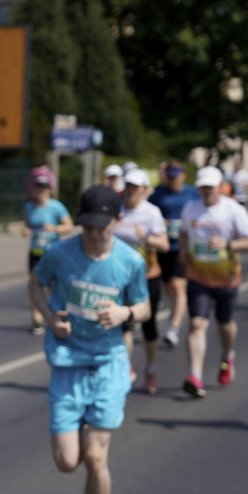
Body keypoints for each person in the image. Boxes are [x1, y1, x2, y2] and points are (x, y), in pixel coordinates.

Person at [28, 185, 150, 494]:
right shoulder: (60, 254)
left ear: (118, 221)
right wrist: (50, 318)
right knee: (67, 462)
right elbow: (36, 283)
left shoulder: (130, 261)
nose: (94, 233)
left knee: (96, 457)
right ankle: (80, 428)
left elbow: (144, 306)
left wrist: (124, 314)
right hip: (67, 361)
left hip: (109, 363)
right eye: (88, 226)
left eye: (102, 226)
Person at [177, 167, 248, 398]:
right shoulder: (190, 208)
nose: (207, 192)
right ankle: (195, 376)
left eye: (211, 187)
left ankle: (227, 355)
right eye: (203, 187)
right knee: (197, 325)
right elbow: (183, 232)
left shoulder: (233, 210)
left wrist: (228, 245)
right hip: (198, 277)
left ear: (220, 186)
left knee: (225, 326)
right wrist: (183, 250)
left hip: (226, 279)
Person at [114, 168, 169, 393]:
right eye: (128, 186)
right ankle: (126, 367)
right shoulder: (116, 209)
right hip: (120, 277)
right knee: (123, 324)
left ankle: (151, 368)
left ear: (144, 190)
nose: (130, 192)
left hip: (148, 276)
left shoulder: (151, 213)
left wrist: (145, 237)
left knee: (148, 325)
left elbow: (164, 245)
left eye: (135, 188)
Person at [148, 161, 201, 349]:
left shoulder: (192, 193)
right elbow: (148, 213)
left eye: (176, 176)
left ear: (183, 176)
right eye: (170, 177)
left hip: (183, 247)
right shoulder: (157, 194)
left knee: (179, 286)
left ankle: (174, 328)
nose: (173, 180)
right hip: (163, 248)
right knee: (167, 287)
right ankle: (175, 311)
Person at [22, 172, 73, 335]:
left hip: (52, 252)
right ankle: (37, 320)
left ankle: (57, 314)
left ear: (49, 190)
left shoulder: (56, 206)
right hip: (35, 252)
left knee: (53, 286)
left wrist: (55, 228)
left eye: (44, 188)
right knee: (34, 284)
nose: (40, 191)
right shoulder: (29, 207)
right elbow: (28, 224)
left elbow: (69, 225)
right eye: (38, 187)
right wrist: (26, 230)